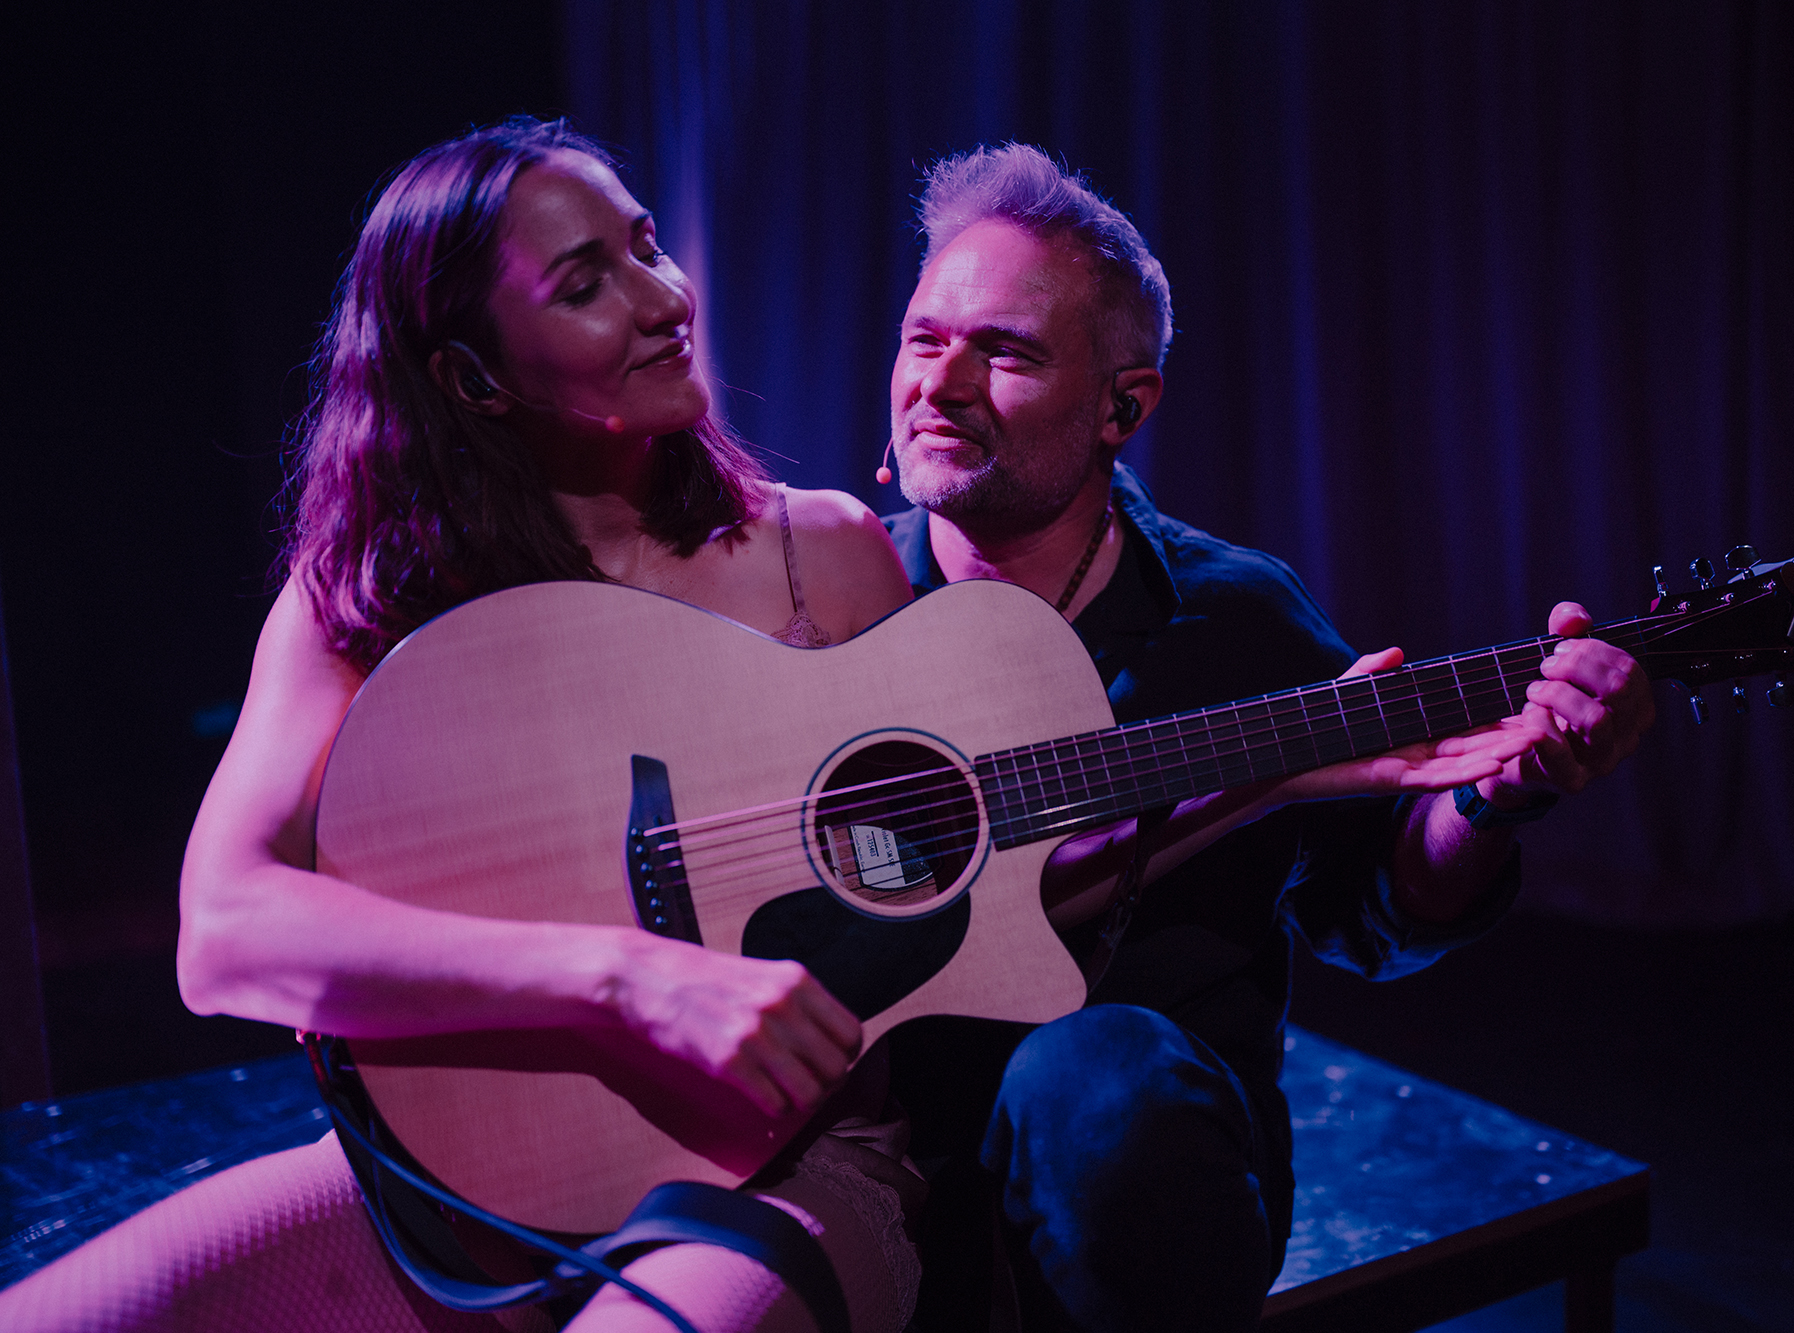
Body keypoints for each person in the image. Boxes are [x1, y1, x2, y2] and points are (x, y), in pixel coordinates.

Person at [0, 119, 921, 1333]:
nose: (662, 299)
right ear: (473, 378)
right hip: (462, 1187)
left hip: (785, 1168)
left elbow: (944, 874)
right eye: (584, 285)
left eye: (645, 245)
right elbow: (222, 932)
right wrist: (626, 977)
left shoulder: (822, 554)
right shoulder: (367, 602)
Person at [874, 144, 1655, 1332]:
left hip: (1140, 1194)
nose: (941, 382)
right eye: (923, 339)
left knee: (1092, 1074)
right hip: (887, 1163)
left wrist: (1490, 797)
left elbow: (1373, 908)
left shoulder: (1232, 618)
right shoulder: (832, 605)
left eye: (1006, 352)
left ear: (1122, 406)